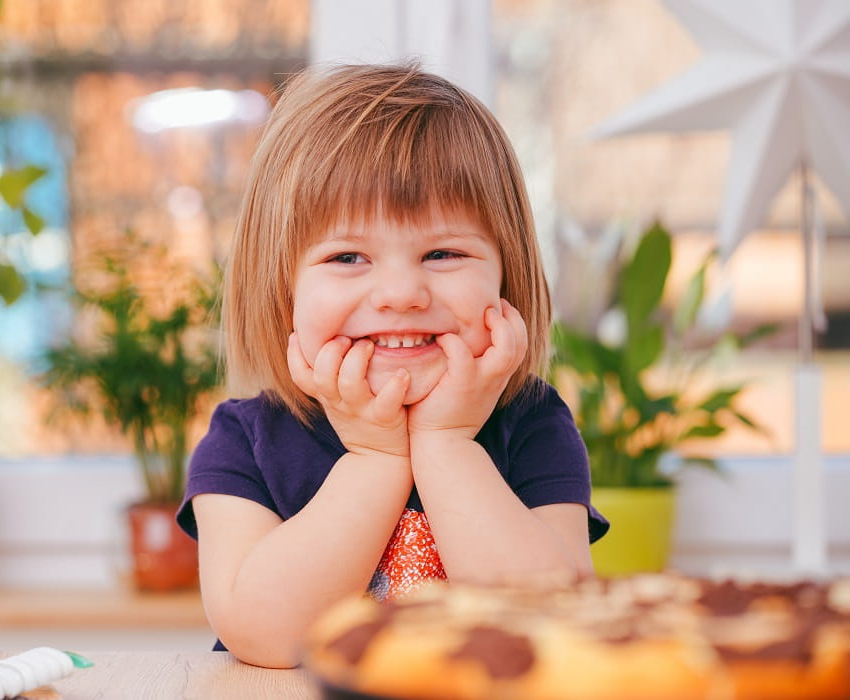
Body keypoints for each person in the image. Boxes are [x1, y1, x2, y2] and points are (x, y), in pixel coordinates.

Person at [175, 63, 609, 669]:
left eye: (444, 252)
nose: (401, 292)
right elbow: (264, 636)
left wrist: (448, 445)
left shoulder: (532, 423)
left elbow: (551, 628)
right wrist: (376, 458)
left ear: (507, 276)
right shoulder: (244, 439)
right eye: (348, 256)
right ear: (282, 291)